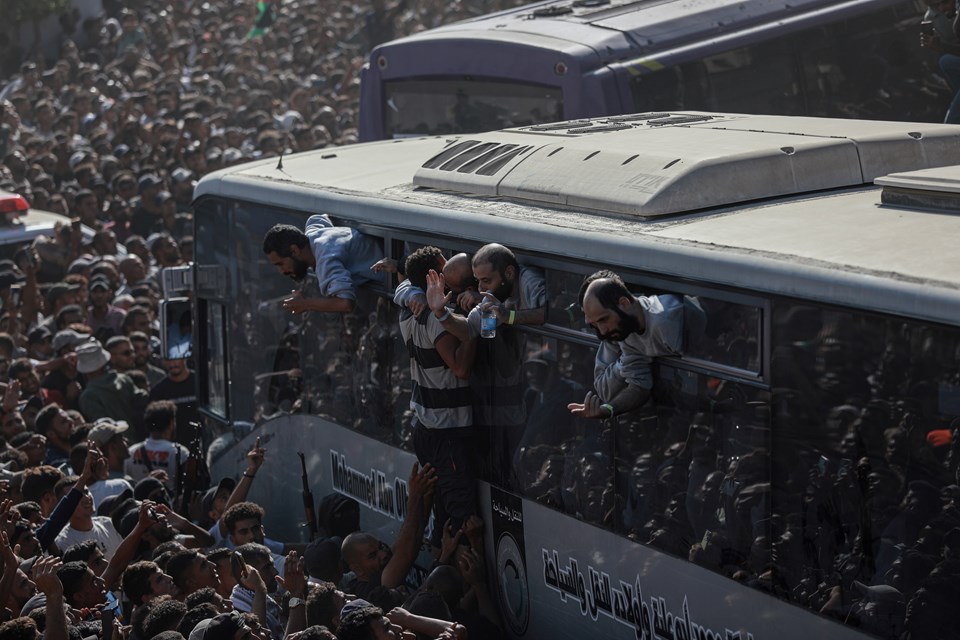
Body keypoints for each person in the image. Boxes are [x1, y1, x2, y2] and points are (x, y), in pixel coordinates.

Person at [397, 246, 476, 541]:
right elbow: (460, 368)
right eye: (447, 273)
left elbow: (402, 286)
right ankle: (454, 564)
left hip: (427, 427)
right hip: (447, 433)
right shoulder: (433, 317)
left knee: (442, 510)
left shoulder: (408, 309)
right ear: (435, 277)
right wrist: (476, 323)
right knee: (460, 517)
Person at [567, 269, 704, 419]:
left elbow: (700, 369)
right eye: (595, 325)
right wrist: (607, 410)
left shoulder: (667, 323)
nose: (603, 331)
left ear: (624, 303)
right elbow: (639, 386)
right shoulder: (626, 330)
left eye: (604, 319)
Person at [262, 215, 383, 314]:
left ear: (294, 250)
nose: (281, 271)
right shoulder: (313, 230)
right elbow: (320, 217)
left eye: (281, 264)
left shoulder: (325, 259)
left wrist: (305, 304)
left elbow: (345, 303)